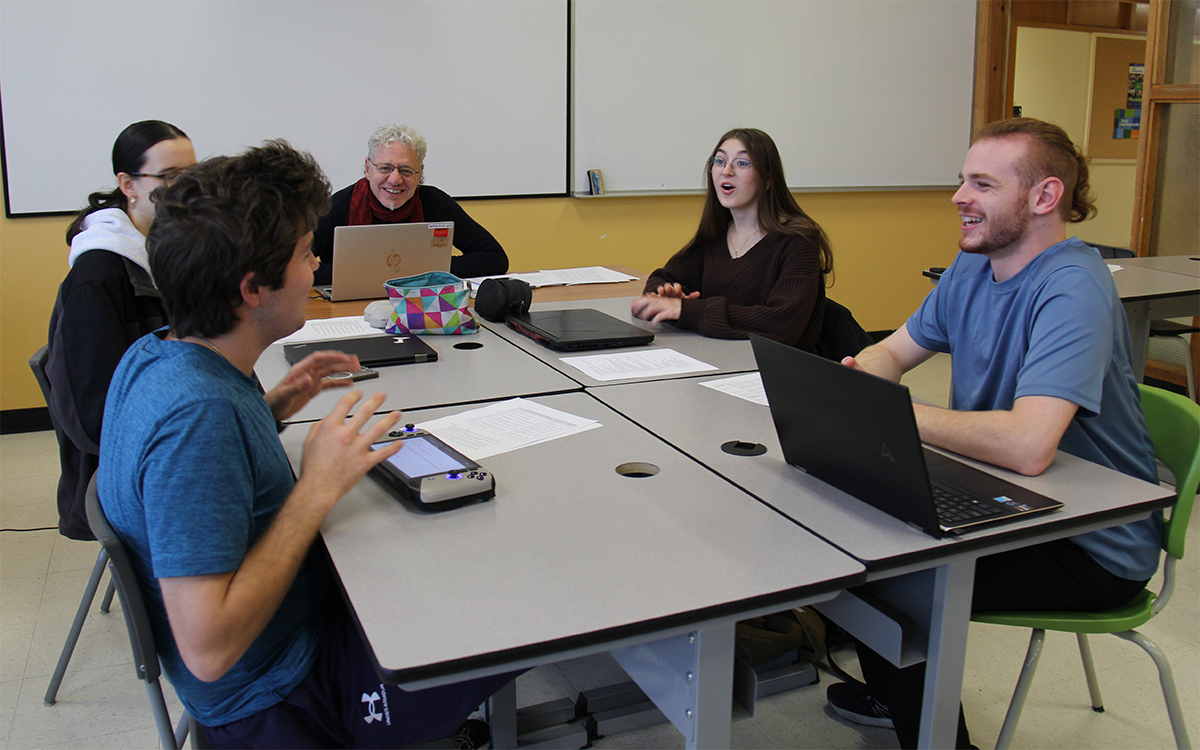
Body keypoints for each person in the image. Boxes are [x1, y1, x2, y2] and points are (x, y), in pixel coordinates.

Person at [98, 141, 510, 748]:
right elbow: (209, 650)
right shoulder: (198, 419)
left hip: (288, 640)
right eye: (302, 254)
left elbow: (201, 475)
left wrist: (273, 405)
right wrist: (315, 489)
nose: (315, 263)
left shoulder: (158, 353)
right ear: (252, 289)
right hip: (282, 692)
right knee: (517, 608)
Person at [824, 118, 1160, 749]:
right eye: (961, 180)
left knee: (883, 577)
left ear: (1044, 197)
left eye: (982, 183)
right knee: (843, 531)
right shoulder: (972, 267)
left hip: (1091, 541)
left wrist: (891, 415)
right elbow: (889, 354)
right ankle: (898, 697)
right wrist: (864, 377)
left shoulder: (1073, 288)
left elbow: (1028, 447)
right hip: (1001, 498)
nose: (959, 197)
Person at [44, 120, 196, 540]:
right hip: (126, 468)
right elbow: (94, 417)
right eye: (168, 178)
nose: (187, 189)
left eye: (192, 175)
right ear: (127, 184)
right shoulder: (100, 274)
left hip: (166, 430)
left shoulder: (165, 248)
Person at [630, 128, 833, 347]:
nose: (727, 171)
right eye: (720, 161)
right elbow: (662, 278)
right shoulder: (716, 236)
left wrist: (687, 311)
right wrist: (667, 295)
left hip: (774, 371)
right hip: (719, 360)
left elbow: (782, 324)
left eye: (742, 163)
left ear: (768, 178)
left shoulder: (799, 243)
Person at [313, 122, 508, 285]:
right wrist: (363, 274)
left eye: (406, 170)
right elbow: (290, 265)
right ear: (367, 168)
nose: (395, 180)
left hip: (421, 306)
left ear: (420, 173)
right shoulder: (337, 206)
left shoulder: (435, 203)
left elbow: (495, 258)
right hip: (348, 310)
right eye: (385, 168)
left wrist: (426, 269)